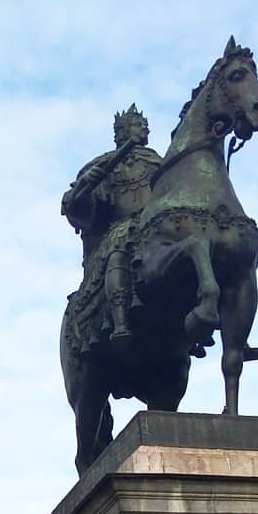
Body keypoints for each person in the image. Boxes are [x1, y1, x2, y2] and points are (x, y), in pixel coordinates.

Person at [62, 104, 162, 349]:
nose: (143, 128)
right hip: (121, 228)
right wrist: (85, 186)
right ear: (121, 132)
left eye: (144, 125)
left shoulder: (158, 162)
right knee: (119, 244)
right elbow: (77, 206)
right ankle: (119, 321)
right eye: (137, 124)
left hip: (156, 227)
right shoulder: (105, 165)